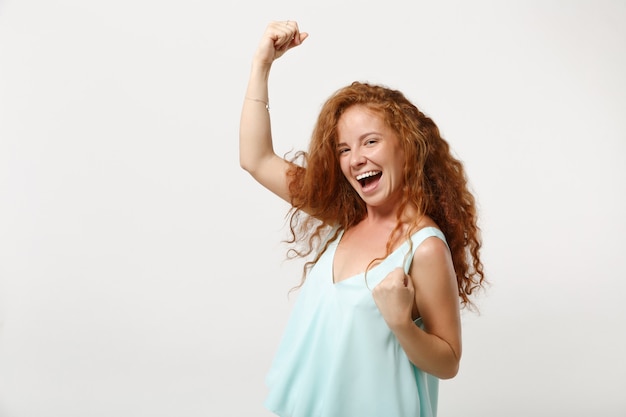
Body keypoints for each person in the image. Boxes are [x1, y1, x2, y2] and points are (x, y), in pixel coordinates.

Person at [239, 20, 485, 417]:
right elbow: (257, 160)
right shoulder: (347, 216)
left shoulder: (424, 247)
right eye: (343, 149)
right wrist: (261, 64)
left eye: (371, 141)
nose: (356, 159)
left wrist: (402, 324)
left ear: (407, 147)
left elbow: (449, 361)